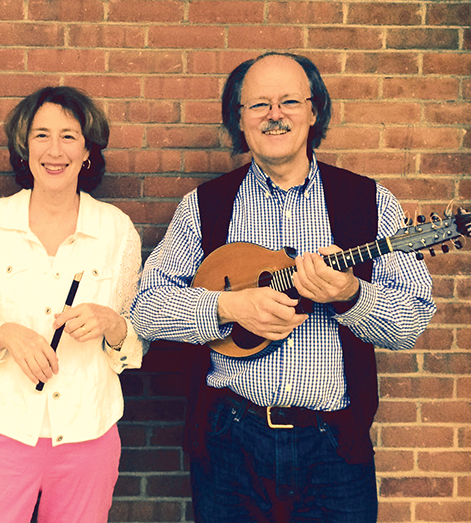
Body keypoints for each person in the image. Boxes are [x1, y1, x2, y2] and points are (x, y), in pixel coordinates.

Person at [131, 52, 436, 522]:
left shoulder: (369, 202)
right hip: (229, 439)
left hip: (334, 445)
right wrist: (228, 307)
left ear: (314, 112)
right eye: (259, 105)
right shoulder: (205, 206)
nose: (275, 115)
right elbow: (146, 308)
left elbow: (410, 322)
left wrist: (351, 295)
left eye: (290, 101)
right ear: (240, 119)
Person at [0, 86, 146, 523]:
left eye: (69, 136)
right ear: (24, 146)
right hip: (1, 432)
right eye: (41, 135)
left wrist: (111, 323)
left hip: (88, 436)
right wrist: (5, 333)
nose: (54, 150)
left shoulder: (117, 231)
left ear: (88, 150)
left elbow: (132, 348)